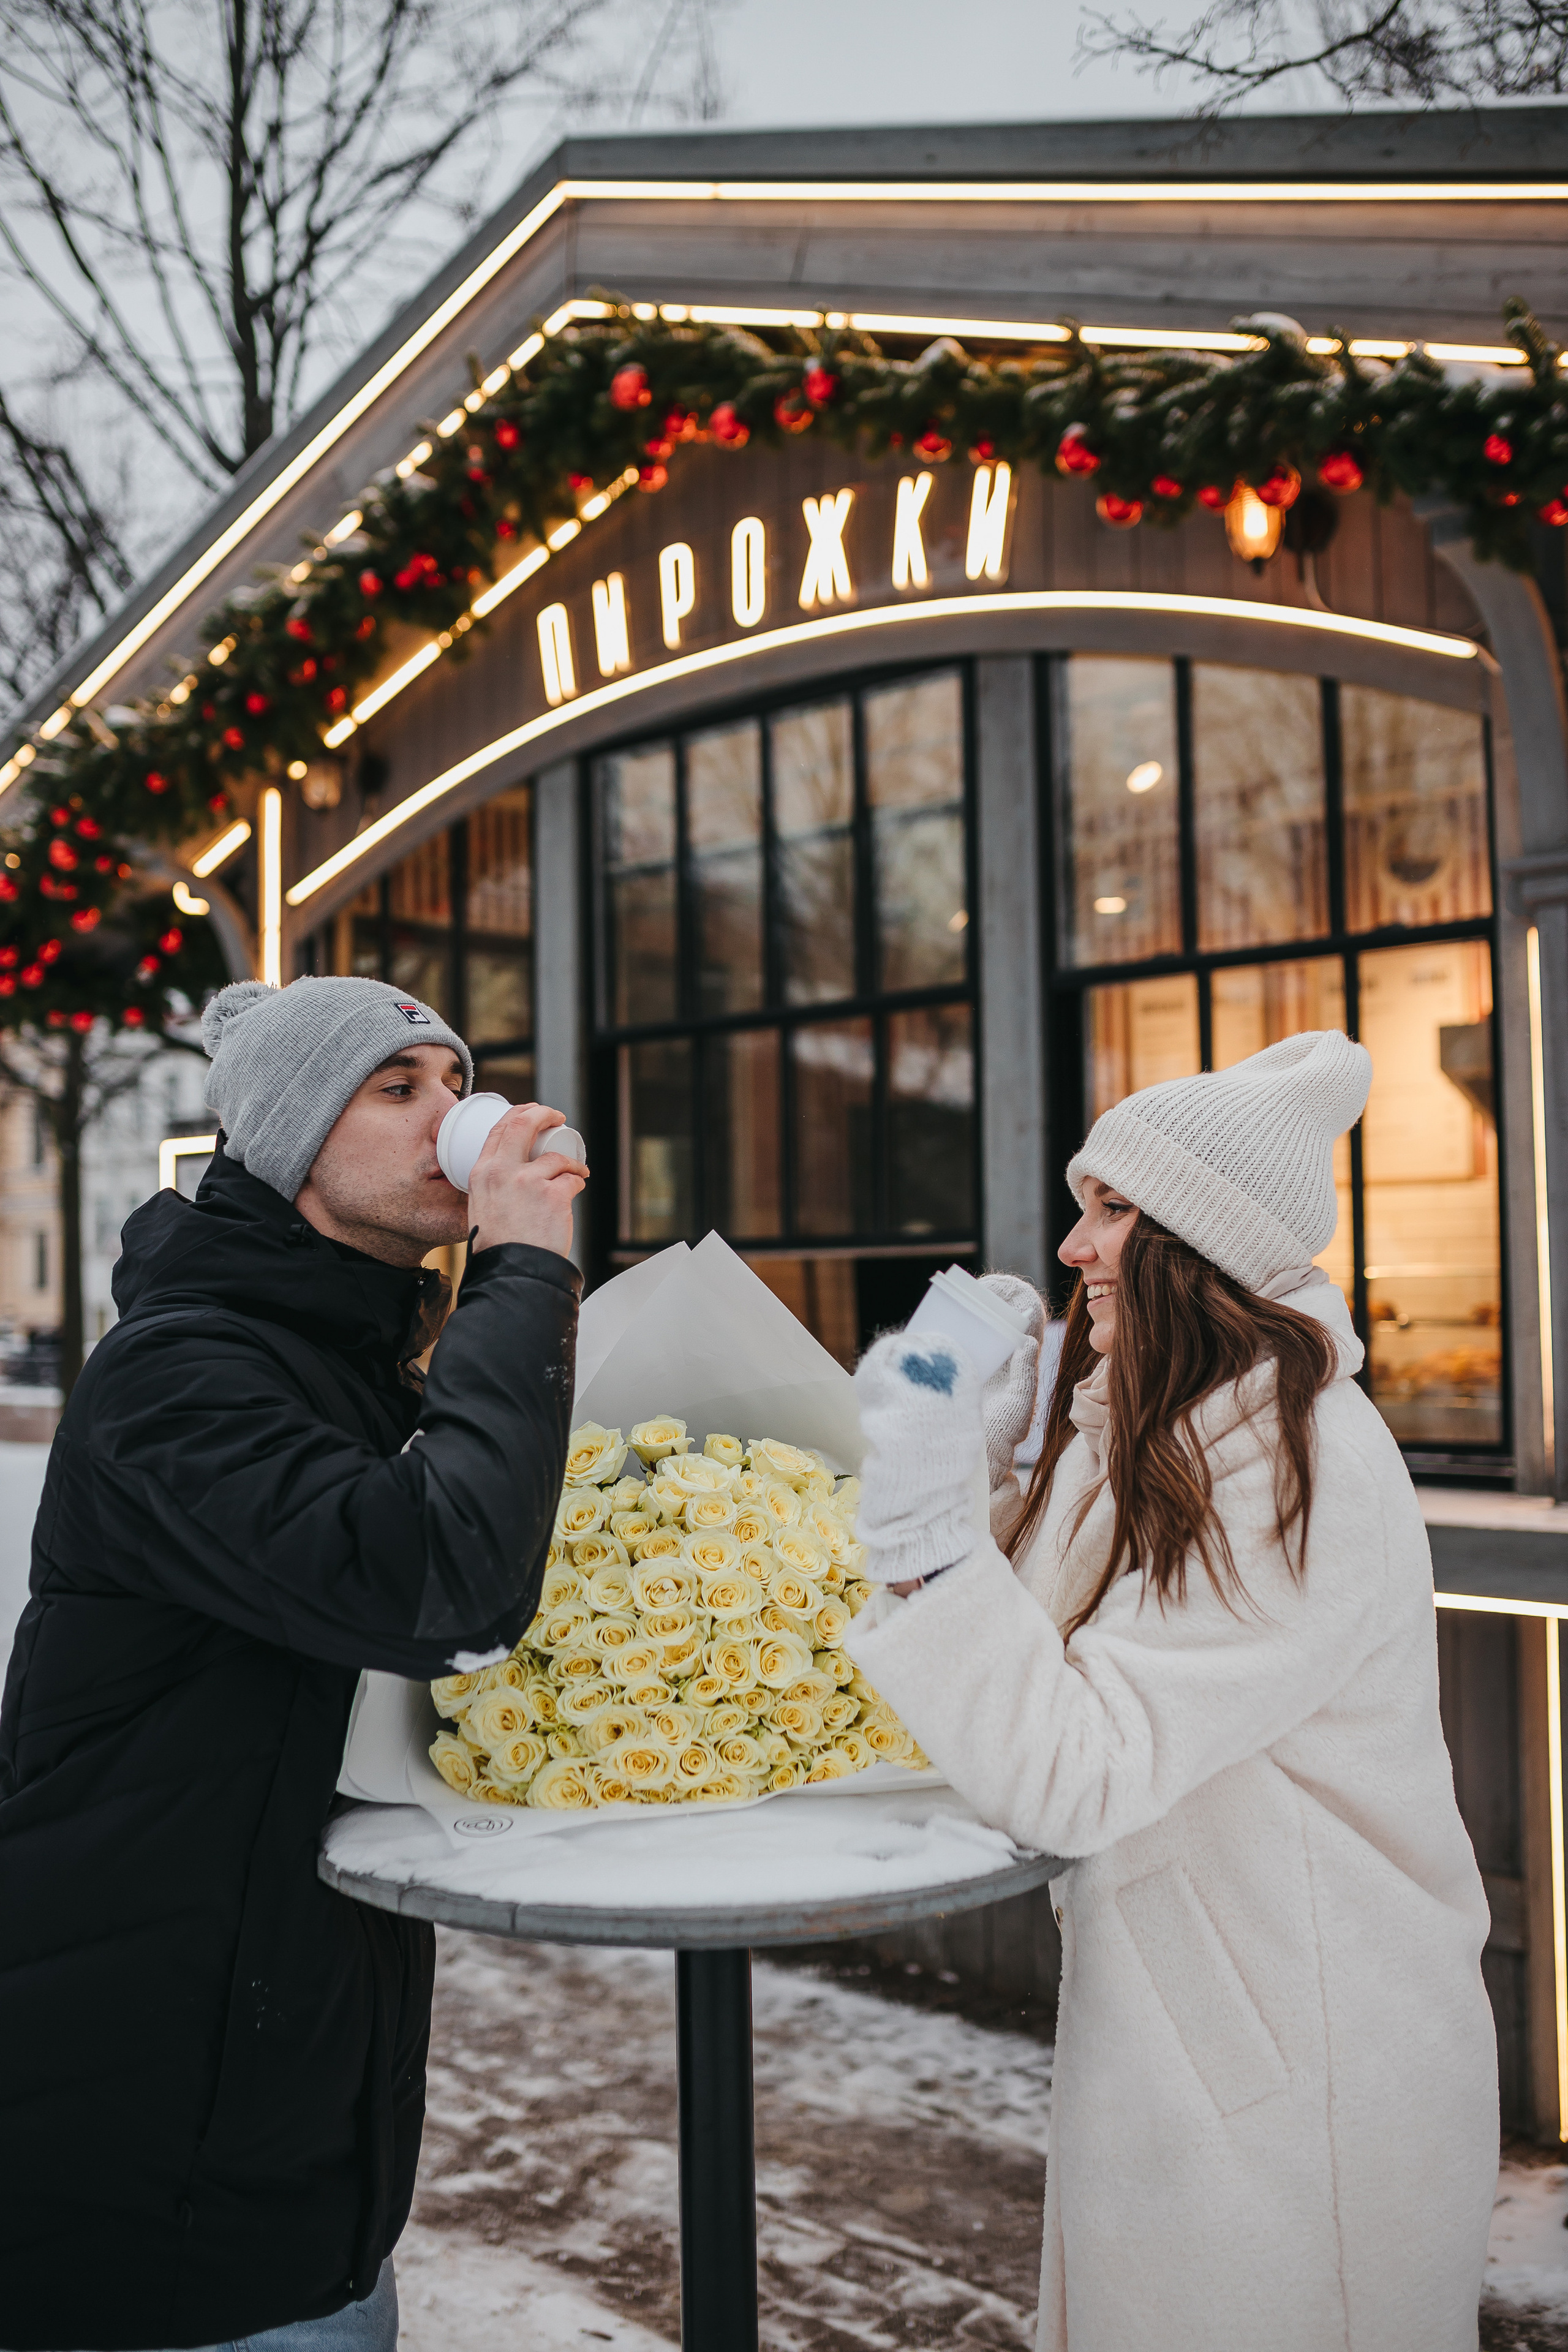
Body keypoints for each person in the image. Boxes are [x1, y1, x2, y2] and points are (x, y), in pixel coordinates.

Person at [845, 1031, 1498, 2352]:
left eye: (1112, 1211)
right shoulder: (1164, 1424)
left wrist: (923, 1525)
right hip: (1204, 2025)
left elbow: (1071, 1771)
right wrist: (988, 1462)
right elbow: (1026, 1670)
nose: (1073, 1248)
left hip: (1303, 2057)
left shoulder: (1292, 1457)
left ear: (1194, 1238)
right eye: (1080, 1207)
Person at [0, 975, 587, 2352]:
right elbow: (440, 1583)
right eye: (399, 1089)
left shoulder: (350, 1360)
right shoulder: (179, 1374)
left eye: (457, 1079)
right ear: (288, 1142)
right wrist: (523, 1269)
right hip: (128, 2156)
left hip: (291, 2126)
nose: (454, 1113)